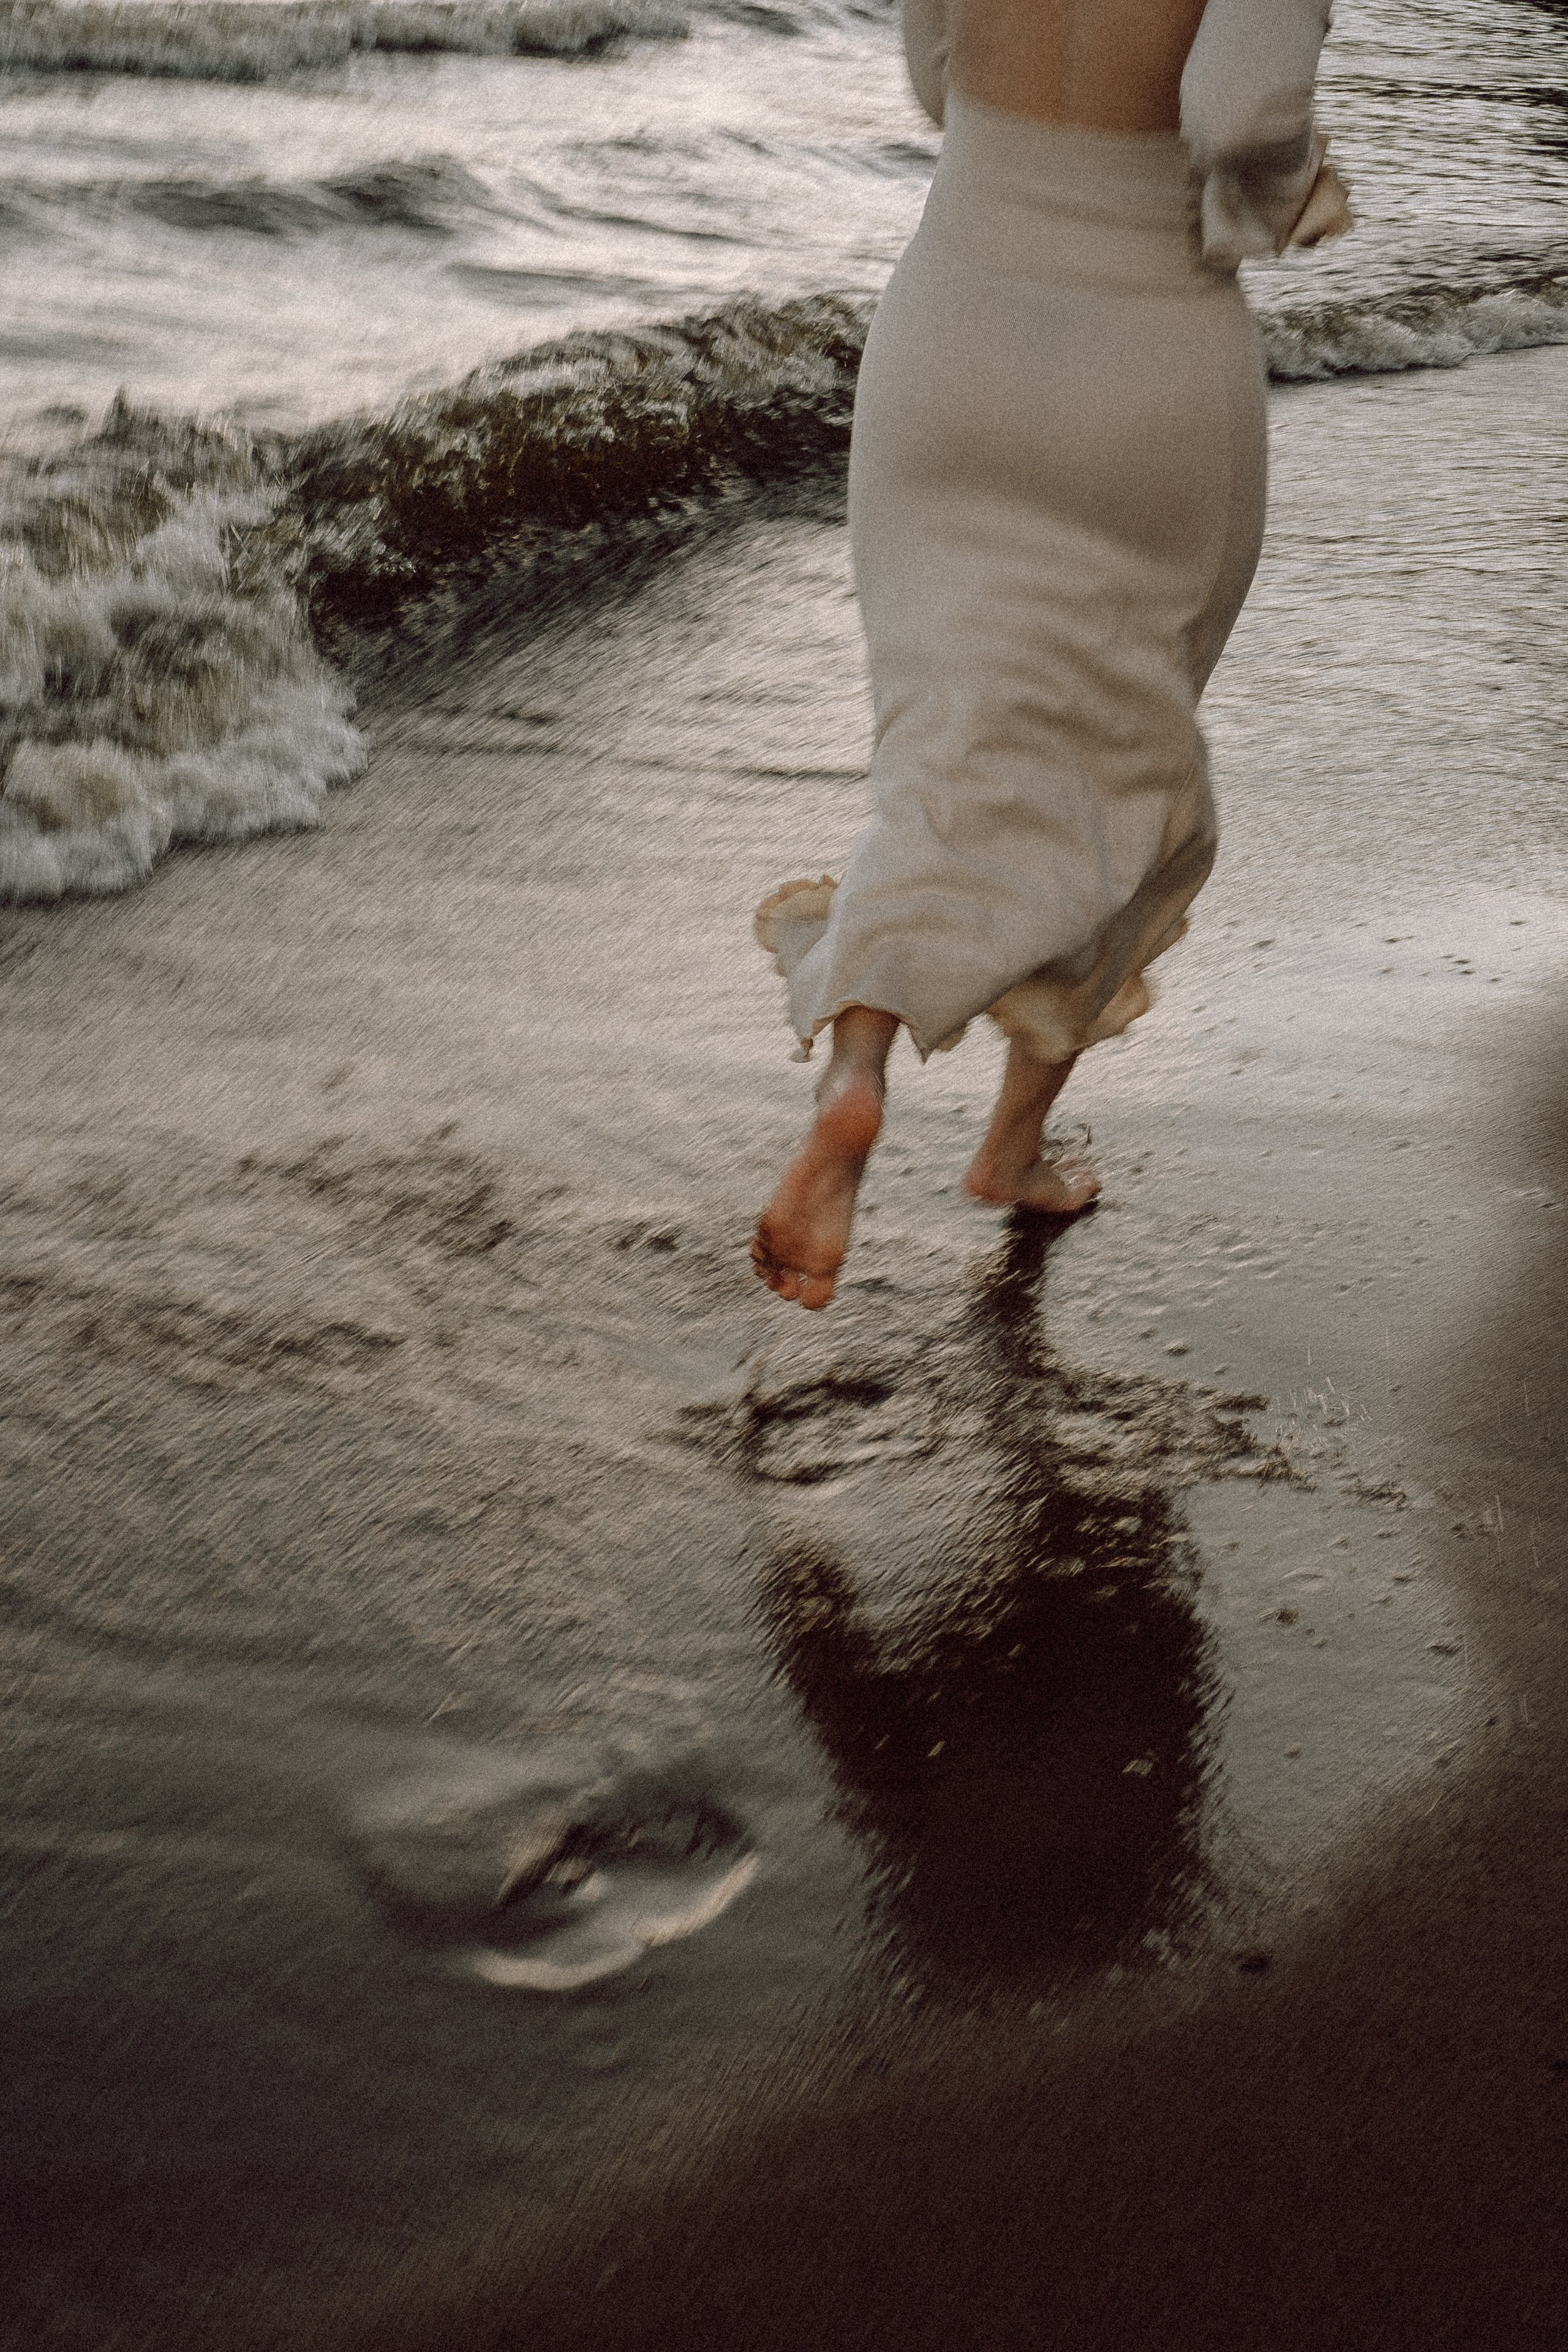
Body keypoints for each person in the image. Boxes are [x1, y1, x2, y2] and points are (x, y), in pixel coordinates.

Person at [751, 0, 1350, 1310]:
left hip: (951, 331)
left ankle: (855, 1071)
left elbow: (931, 77)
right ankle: (1011, 1148)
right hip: (1146, 360)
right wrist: (1293, 188)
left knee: (941, 748)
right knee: (1121, 766)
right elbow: (1236, 113)